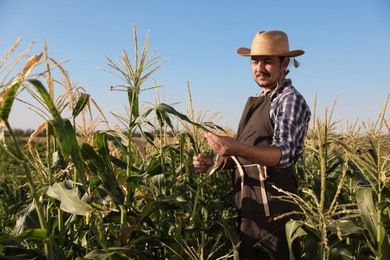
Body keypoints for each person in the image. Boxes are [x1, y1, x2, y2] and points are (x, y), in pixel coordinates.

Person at [193, 30, 311, 259]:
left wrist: (234, 147)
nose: (260, 67)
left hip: (275, 213)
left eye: (268, 61)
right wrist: (216, 164)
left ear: (284, 62)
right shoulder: (258, 99)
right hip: (250, 210)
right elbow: (247, 156)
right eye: (255, 61)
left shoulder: (288, 99)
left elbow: (282, 153)